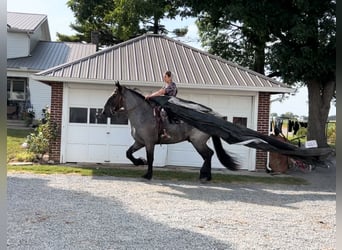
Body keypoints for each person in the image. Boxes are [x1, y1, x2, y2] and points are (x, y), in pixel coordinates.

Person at [145, 70, 178, 139]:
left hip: (170, 105)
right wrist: (150, 96)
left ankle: (165, 132)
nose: (164, 78)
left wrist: (149, 96)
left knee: (161, 113)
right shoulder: (166, 85)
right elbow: (159, 91)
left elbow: (160, 93)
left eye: (165, 77)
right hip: (165, 104)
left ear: (170, 78)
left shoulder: (172, 86)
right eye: (164, 77)